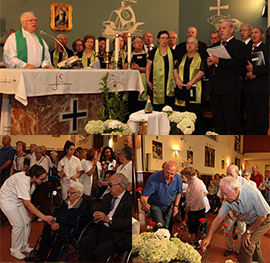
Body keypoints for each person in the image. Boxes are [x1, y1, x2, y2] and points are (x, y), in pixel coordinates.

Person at [201, 176, 270, 263]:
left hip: (264, 219)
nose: (224, 198)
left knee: (246, 245)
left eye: (226, 194)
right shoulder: (228, 200)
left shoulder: (251, 192)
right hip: (251, 221)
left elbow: (262, 216)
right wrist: (209, 236)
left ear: (236, 190)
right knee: (254, 245)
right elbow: (219, 218)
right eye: (223, 194)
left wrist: (248, 232)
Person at [0, 165, 55, 260]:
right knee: (18, 225)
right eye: (41, 179)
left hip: (19, 200)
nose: (43, 181)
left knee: (27, 221)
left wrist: (28, 211)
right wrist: (44, 216)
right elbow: (27, 203)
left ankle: (24, 246)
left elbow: (28, 196)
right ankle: (15, 250)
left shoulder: (32, 181)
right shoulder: (23, 180)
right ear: (34, 177)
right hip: (7, 200)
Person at [25, 181, 88, 262]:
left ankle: (52, 259)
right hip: (60, 223)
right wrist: (55, 220)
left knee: (62, 234)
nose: (68, 195)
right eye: (68, 192)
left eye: (71, 193)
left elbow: (76, 221)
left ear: (78, 194)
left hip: (70, 228)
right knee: (48, 226)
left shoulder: (82, 206)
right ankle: (39, 257)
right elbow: (59, 212)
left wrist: (60, 225)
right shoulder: (67, 201)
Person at [78, 173, 132, 262]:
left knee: (101, 251)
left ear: (121, 186)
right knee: (84, 243)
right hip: (100, 228)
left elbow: (128, 222)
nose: (108, 188)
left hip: (117, 234)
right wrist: (96, 214)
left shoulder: (129, 200)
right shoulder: (107, 197)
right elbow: (100, 211)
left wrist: (109, 220)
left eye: (110, 185)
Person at [207, 20, 246, 134]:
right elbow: (210, 64)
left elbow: (239, 63)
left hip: (230, 90)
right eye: (220, 29)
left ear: (232, 30)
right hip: (215, 89)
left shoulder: (239, 45)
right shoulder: (215, 46)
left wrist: (219, 61)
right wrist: (210, 63)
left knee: (232, 121)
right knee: (218, 122)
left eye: (224, 28)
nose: (221, 31)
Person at [173, 37, 205, 133]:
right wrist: (178, 80)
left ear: (197, 47)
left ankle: (195, 133)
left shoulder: (200, 57)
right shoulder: (182, 57)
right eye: (188, 43)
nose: (189, 45)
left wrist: (191, 82)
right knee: (181, 113)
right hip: (181, 88)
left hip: (194, 89)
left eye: (192, 43)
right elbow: (175, 69)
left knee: (194, 113)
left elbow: (202, 71)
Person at [140, 160, 182, 230]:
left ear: (176, 172)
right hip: (155, 205)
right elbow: (144, 196)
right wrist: (144, 203)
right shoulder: (153, 178)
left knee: (167, 227)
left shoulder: (178, 178)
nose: (169, 176)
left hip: (168, 205)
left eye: (172, 174)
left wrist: (176, 206)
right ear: (163, 168)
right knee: (160, 226)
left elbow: (179, 193)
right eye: (167, 172)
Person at [217, 164, 248, 256]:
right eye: (227, 173)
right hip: (230, 211)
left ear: (237, 173)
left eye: (230, 174)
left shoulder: (244, 182)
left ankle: (239, 250)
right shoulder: (224, 181)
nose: (228, 176)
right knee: (227, 230)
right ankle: (229, 248)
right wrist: (228, 210)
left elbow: (246, 198)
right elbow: (221, 197)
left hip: (241, 211)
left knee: (241, 231)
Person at [245, 27, 269, 135]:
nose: (254, 35)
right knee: (250, 116)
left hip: (261, 89)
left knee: (261, 117)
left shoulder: (267, 49)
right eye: (252, 33)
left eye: (256, 32)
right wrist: (247, 73)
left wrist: (254, 71)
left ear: (262, 35)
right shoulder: (247, 49)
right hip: (248, 89)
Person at [146, 30, 175, 111]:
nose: (164, 40)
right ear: (158, 40)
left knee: (169, 106)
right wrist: (148, 80)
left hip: (169, 83)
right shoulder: (153, 52)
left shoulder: (173, 52)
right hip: (155, 83)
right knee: (156, 108)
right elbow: (148, 67)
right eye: (162, 38)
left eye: (166, 38)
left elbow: (176, 68)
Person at [181, 167, 205, 245]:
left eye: (185, 174)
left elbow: (195, 196)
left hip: (197, 208)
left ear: (188, 174)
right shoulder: (191, 181)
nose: (184, 176)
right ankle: (195, 240)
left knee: (197, 226)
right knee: (193, 225)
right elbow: (189, 194)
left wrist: (188, 206)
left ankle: (199, 242)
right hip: (193, 207)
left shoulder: (196, 182)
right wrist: (186, 203)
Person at [124, 36, 148, 112]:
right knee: (132, 103)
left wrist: (139, 68)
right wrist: (130, 66)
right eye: (137, 42)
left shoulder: (147, 56)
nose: (139, 44)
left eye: (141, 42)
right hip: (131, 82)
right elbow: (124, 69)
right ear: (133, 45)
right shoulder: (129, 56)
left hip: (142, 80)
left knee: (141, 105)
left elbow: (150, 69)